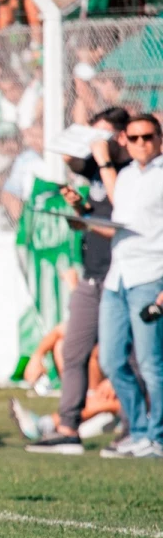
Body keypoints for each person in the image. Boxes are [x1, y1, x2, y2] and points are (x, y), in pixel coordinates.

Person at [26, 106, 133, 454]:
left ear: (120, 137)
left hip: (124, 275)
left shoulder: (131, 172)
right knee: (73, 351)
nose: (94, 142)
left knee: (124, 358)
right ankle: (67, 428)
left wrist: (105, 162)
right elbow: (70, 159)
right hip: (93, 275)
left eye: (101, 135)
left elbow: (124, 214)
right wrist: (81, 209)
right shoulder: (96, 168)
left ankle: (135, 430)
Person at [93, 114, 163, 459]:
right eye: (133, 138)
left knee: (151, 364)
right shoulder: (125, 176)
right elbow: (121, 224)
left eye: (147, 136)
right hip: (118, 276)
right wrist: (83, 218)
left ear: (159, 139)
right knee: (110, 360)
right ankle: (138, 430)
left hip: (150, 275)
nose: (141, 144)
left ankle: (157, 437)